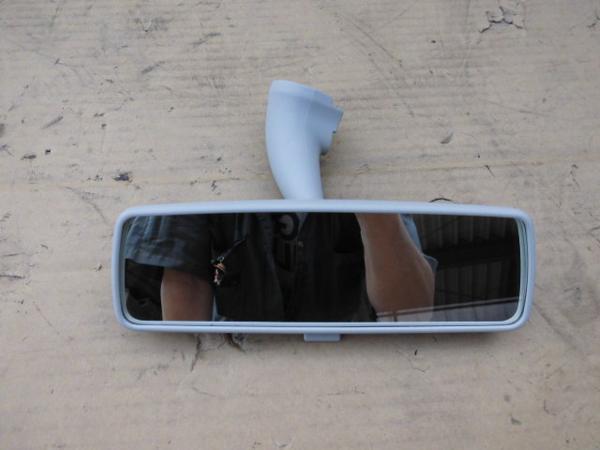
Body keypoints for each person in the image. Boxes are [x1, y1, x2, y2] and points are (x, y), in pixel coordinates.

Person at [123, 212, 435, 322]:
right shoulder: (201, 155)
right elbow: (185, 286)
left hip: (346, 369)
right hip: (235, 365)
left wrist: (374, 215)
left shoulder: (367, 162)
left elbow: (412, 311)